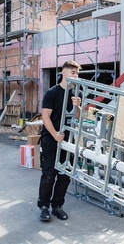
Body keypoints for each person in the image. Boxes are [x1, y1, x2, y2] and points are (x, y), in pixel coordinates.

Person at [38, 60, 82, 222]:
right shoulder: (53, 92)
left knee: (64, 174)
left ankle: (57, 206)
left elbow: (79, 117)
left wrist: (77, 106)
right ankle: (44, 206)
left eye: (77, 73)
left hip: (68, 140)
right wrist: (55, 134)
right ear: (64, 73)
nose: (75, 76)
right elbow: (45, 116)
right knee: (49, 174)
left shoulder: (77, 93)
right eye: (73, 72)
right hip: (51, 138)